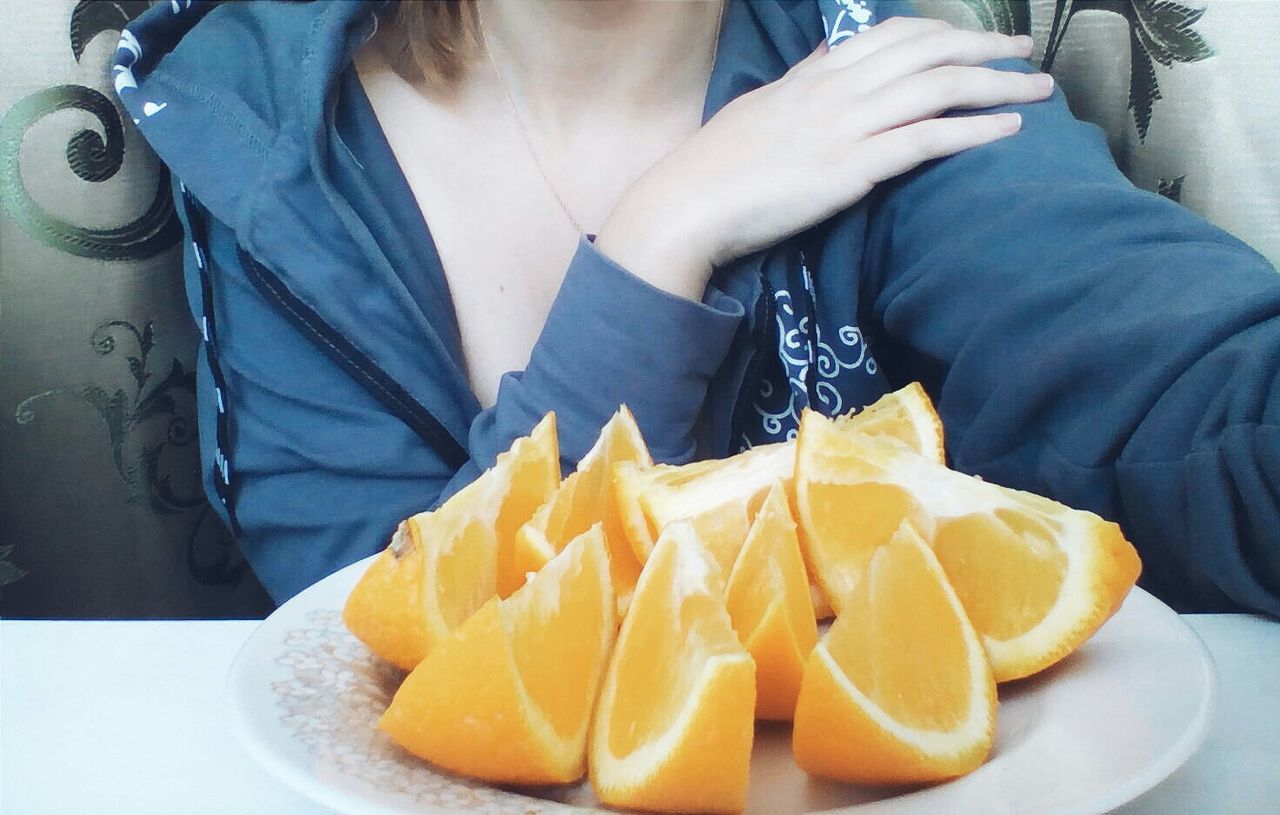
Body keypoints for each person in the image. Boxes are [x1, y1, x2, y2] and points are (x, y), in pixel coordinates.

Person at [113, 0, 1280, 615]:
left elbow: (1200, 401)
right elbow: (377, 658)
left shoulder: (889, 87)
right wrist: (658, 235)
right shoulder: (274, 135)